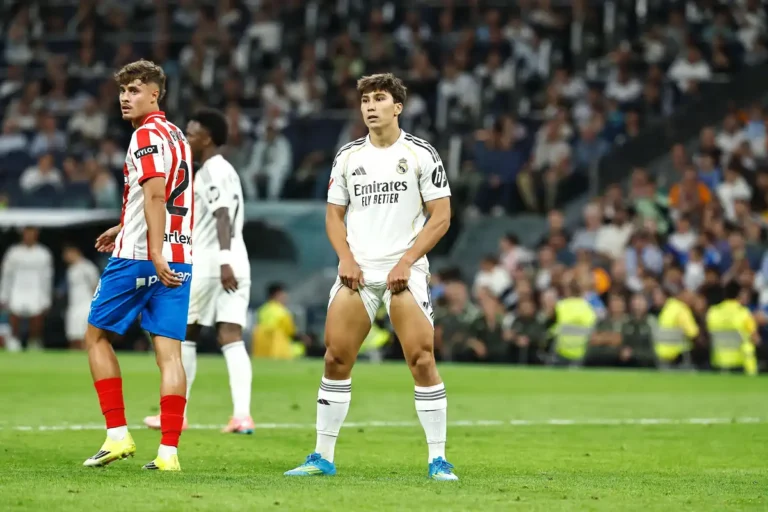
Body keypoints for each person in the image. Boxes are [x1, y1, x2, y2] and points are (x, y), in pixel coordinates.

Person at [284, 73, 458, 481]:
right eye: (365, 99)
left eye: (379, 98)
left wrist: (407, 260)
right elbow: (333, 215)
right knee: (335, 358)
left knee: (421, 358)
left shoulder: (421, 153)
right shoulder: (347, 156)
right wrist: (345, 257)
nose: (370, 106)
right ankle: (322, 456)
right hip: (358, 269)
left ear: (397, 107)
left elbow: (442, 216)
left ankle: (438, 459)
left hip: (405, 268)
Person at [83, 60, 193, 471]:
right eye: (123, 91)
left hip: (141, 255)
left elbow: (156, 196)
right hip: (182, 255)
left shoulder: (145, 135)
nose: (126, 98)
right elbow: (166, 195)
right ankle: (168, 454)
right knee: (170, 355)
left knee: (95, 338)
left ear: (155, 94)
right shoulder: (177, 135)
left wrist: (154, 249)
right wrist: (121, 223)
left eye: (135, 90)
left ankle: (117, 436)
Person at [143, 108, 254, 434]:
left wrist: (222, 260)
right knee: (231, 337)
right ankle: (242, 416)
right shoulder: (228, 171)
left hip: (212, 264)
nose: (186, 138)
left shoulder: (210, 172)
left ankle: (175, 414)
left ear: (206, 138)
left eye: (190, 133)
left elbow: (222, 216)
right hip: (238, 260)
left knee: (184, 335)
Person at [0, 227, 53, 352]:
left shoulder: (43, 253)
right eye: (27, 234)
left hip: (36, 288)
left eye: (32, 234)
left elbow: (47, 277)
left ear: (36, 235)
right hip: (17, 287)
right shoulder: (13, 252)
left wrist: (46, 297)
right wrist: (3, 295)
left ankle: (34, 342)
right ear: (23, 235)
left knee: (37, 318)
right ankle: (14, 340)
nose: (29, 237)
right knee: (14, 315)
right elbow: (7, 275)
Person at [62, 243, 100, 350]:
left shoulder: (87, 267)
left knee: (84, 335)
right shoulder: (71, 269)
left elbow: (95, 285)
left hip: (86, 305)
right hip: (74, 306)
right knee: (73, 336)